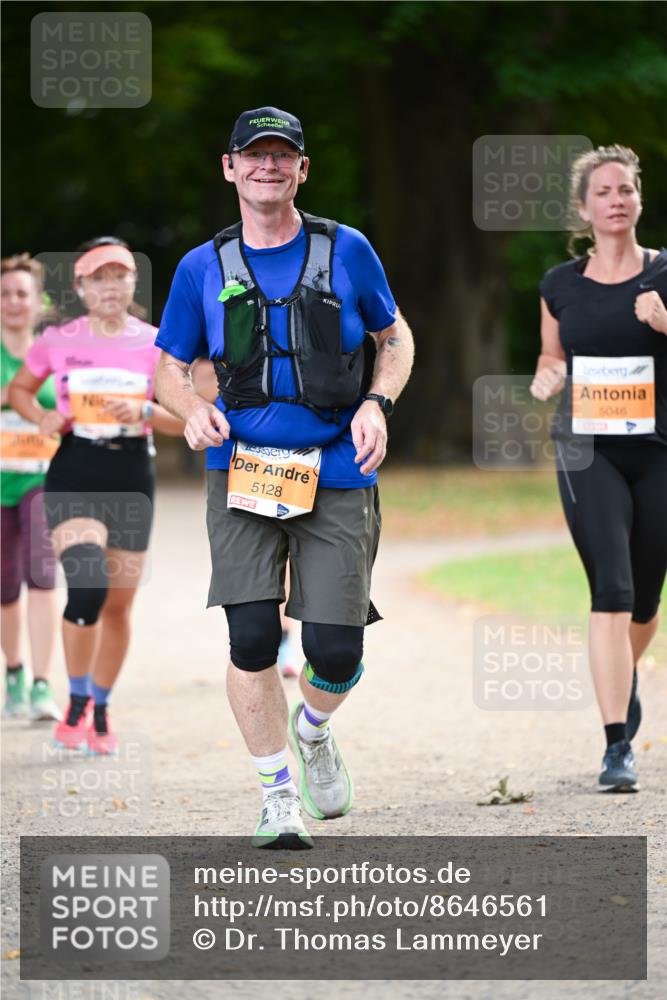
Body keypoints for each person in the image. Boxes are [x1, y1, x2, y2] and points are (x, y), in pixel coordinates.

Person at [155, 106, 414, 847]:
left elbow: (392, 337)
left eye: (283, 156)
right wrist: (190, 408)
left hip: (336, 466)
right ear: (229, 166)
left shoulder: (347, 249)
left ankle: (312, 731)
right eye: (253, 155)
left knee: (335, 650)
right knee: (251, 636)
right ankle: (276, 795)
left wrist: (376, 404)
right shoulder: (201, 266)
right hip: (239, 469)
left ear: (302, 170)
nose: (267, 166)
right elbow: (169, 365)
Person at [8, 237, 185, 754]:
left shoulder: (158, 343)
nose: (110, 287)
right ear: (81, 286)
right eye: (98, 278)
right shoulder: (57, 339)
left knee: (118, 607)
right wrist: (42, 416)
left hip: (132, 472)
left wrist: (150, 413)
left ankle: (102, 705)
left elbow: (189, 420)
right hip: (75, 469)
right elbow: (20, 388)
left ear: (133, 283)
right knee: (86, 589)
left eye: (119, 276)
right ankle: (76, 699)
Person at [530, 145, 667, 792]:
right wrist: (545, 376)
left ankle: (622, 676)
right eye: (604, 192)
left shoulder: (666, 276)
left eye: (626, 190)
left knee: (645, 600)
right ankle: (617, 745)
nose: (617, 200)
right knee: (609, 589)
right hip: (586, 449)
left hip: (659, 449)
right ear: (584, 210)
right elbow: (548, 357)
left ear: (637, 201)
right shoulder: (558, 285)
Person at [1, 254, 61, 721]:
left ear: (37, 302)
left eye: (22, 293)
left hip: (42, 479)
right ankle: (15, 673)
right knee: (5, 587)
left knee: (42, 577)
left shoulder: (52, 352)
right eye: (4, 294)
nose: (13, 302)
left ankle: (42, 684)